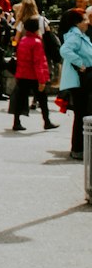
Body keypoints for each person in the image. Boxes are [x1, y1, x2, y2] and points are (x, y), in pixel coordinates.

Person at [10, 17, 55, 131]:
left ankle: (16, 122)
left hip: (22, 74)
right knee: (43, 99)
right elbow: (38, 62)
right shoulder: (37, 42)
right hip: (34, 76)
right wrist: (42, 80)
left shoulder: (23, 40)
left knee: (20, 99)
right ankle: (47, 121)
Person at [58, 9, 92, 160]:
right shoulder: (75, 36)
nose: (87, 22)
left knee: (82, 114)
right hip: (80, 81)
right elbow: (64, 50)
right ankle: (78, 148)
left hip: (81, 81)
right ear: (77, 22)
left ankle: (79, 148)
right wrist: (81, 63)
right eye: (84, 19)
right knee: (81, 115)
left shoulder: (77, 35)